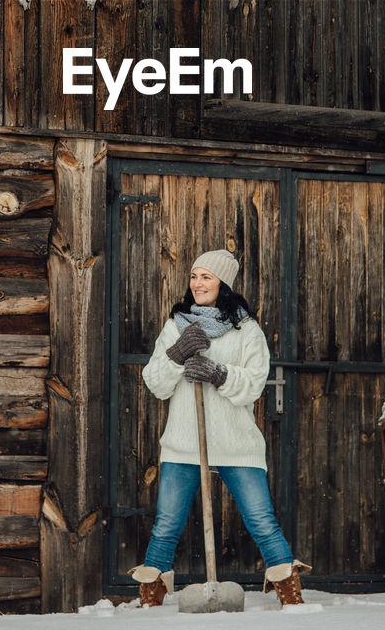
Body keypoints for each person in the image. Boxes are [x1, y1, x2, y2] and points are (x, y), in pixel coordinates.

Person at [129, 248, 310, 607]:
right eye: (194, 276)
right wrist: (177, 354)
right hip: (184, 441)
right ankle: (150, 599)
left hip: (235, 442)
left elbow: (255, 383)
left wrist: (219, 373)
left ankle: (290, 596)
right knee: (166, 525)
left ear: (222, 282)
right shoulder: (176, 325)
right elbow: (155, 383)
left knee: (261, 520)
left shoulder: (247, 329)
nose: (197, 284)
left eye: (206, 277)